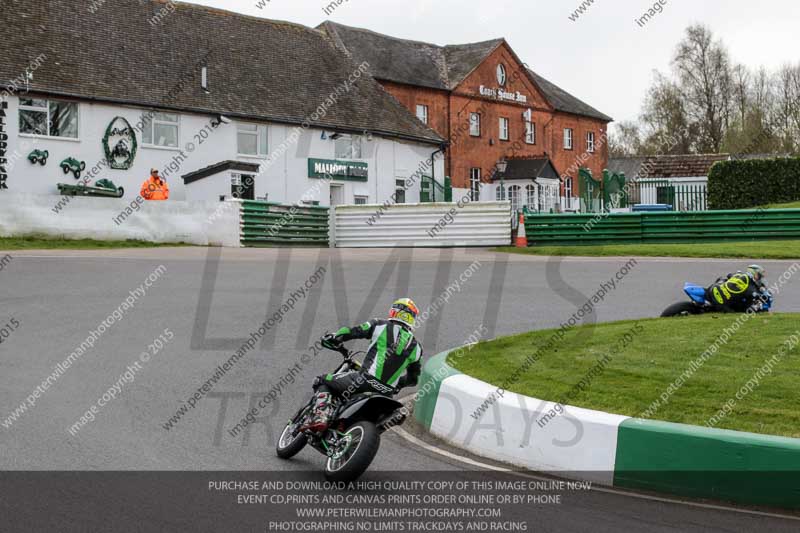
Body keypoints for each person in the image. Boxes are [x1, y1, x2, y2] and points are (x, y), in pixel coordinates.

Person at [303, 298, 423, 433]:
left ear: (394, 311)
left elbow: (353, 331)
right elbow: (413, 379)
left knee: (322, 380)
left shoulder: (379, 325)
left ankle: (321, 416)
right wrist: (397, 385)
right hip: (387, 393)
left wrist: (336, 336)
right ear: (412, 319)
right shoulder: (417, 348)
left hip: (364, 380)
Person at [705, 264, 770, 313]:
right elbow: (755, 295)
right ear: (752, 273)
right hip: (719, 300)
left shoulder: (740, 274)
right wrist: (762, 296)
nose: (759, 278)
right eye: (758, 276)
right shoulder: (750, 286)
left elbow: (729, 275)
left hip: (713, 288)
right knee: (736, 312)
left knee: (723, 280)